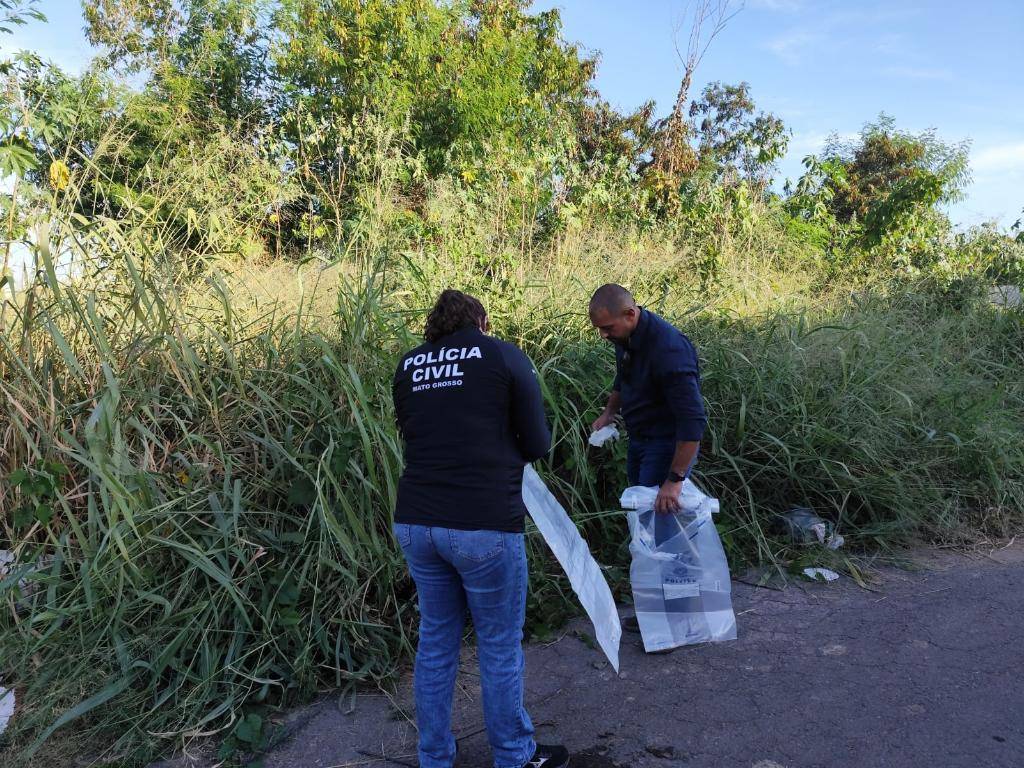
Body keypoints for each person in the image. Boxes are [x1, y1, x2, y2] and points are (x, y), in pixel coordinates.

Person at [392, 289, 570, 768]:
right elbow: (537, 443)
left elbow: (415, 434)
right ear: (481, 321)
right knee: (497, 645)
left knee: (436, 641)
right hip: (483, 524)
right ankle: (514, 754)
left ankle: (434, 757)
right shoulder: (501, 355)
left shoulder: (409, 365)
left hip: (416, 522)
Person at [588, 283, 708, 633]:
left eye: (607, 328)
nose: (603, 335)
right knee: (646, 528)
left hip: (667, 445)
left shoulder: (669, 349)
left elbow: (693, 422)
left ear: (630, 313)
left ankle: (677, 619)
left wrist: (674, 480)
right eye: (599, 329)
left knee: (664, 531)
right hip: (640, 439)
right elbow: (622, 378)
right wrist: (610, 412)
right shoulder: (625, 337)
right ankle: (656, 609)